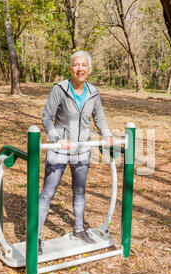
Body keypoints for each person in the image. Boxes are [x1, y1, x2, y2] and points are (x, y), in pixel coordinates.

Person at [38, 50, 114, 255]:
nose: (80, 69)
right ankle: (35, 237)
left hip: (82, 150)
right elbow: (46, 117)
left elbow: (99, 118)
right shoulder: (60, 89)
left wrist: (106, 134)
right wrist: (56, 139)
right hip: (60, 149)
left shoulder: (94, 93)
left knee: (79, 191)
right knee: (47, 193)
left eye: (84, 65)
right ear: (71, 68)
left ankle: (79, 230)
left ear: (89, 69)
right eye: (76, 65)